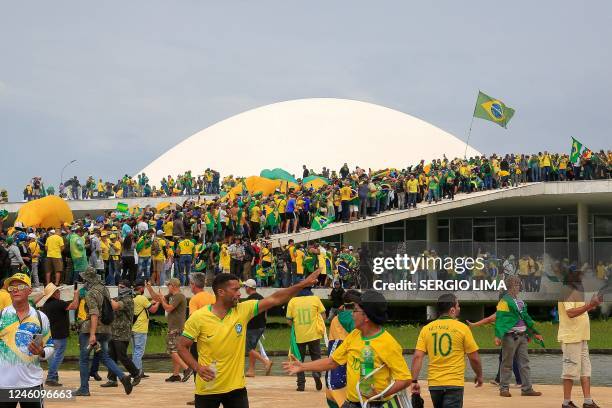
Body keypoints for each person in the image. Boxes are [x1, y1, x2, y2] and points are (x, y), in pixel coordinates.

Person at [176, 269, 321, 408]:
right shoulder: (199, 318)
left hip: (236, 389)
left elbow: (276, 298)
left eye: (239, 289)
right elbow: (182, 346)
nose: (239, 294)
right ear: (220, 292)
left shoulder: (243, 310)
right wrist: (197, 368)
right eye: (235, 290)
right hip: (207, 389)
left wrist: (303, 284)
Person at [284, 290, 412, 408]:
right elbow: (332, 362)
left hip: (376, 404)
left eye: (355, 310)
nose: (352, 315)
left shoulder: (388, 343)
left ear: (366, 316)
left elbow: (405, 378)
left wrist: (381, 394)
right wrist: (302, 366)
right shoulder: (355, 335)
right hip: (352, 403)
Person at [411, 293, 483, 408]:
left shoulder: (426, 329)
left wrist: (414, 381)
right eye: (458, 306)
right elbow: (474, 358)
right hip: (454, 384)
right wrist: (479, 375)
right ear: (452, 310)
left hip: (435, 385)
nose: (459, 308)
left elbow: (417, 357)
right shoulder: (462, 328)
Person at [74, 267, 133, 396]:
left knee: (84, 358)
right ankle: (123, 377)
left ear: (87, 280)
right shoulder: (104, 289)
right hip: (106, 329)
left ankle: (84, 388)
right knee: (105, 357)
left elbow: (94, 314)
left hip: (91, 329)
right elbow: (111, 306)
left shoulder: (91, 293)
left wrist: (92, 334)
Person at [0, 273, 55, 408]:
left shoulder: (40, 317)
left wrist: (41, 352)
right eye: (12, 288)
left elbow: (50, 346)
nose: (16, 290)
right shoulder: (1, 316)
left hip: (32, 384)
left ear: (30, 290)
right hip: (3, 384)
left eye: (20, 286)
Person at [558, 269, 603, 408]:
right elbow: (570, 313)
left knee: (586, 371)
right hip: (571, 338)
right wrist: (590, 305)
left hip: (581, 337)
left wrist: (592, 305)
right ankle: (566, 403)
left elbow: (581, 310)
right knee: (569, 372)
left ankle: (588, 401)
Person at [494, 275, 543, 398]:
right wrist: (498, 335)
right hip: (510, 336)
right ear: (510, 287)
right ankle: (504, 388)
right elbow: (500, 319)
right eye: (516, 285)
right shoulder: (504, 301)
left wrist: (535, 332)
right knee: (507, 363)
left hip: (522, 336)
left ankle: (527, 389)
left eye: (518, 284)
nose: (518, 287)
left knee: (524, 363)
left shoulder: (520, 301)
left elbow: (527, 319)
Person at [148, 278, 192, 382]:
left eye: (169, 285)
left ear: (173, 286)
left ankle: (187, 369)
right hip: (173, 327)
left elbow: (168, 308)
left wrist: (162, 300)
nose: (167, 287)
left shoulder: (179, 296)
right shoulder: (172, 296)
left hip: (177, 328)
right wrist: (149, 289)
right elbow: (157, 298)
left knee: (171, 350)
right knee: (174, 350)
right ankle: (176, 375)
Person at [35, 283, 79, 387]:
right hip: (59, 335)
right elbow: (74, 306)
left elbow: (34, 303)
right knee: (58, 357)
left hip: (49, 335)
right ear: (54, 293)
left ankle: (54, 377)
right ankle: (51, 377)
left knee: (52, 358)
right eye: (58, 291)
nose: (59, 293)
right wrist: (76, 295)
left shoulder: (45, 305)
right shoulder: (59, 303)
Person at [101, 280, 141, 388]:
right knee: (111, 356)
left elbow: (115, 306)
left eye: (122, 287)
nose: (119, 289)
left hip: (123, 333)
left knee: (122, 356)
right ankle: (112, 379)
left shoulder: (128, 300)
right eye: (118, 286)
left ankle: (136, 373)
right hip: (114, 332)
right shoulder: (119, 298)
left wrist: (105, 294)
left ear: (128, 288)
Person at [286, 286, 326, 392]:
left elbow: (289, 320)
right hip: (314, 335)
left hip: (299, 335)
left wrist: (296, 326)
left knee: (298, 360)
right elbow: (323, 315)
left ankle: (301, 384)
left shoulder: (292, 301)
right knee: (316, 358)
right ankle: (316, 373)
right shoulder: (315, 299)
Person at [243, 279, 272, 378]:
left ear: (248, 288)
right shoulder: (261, 298)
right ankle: (251, 370)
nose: (244, 288)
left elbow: (247, 315)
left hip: (252, 327)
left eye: (245, 286)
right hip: (261, 326)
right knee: (253, 347)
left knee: (247, 348)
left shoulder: (249, 300)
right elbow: (265, 314)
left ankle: (266, 361)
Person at [132, 279, 159, 378]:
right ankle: (136, 373)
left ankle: (139, 371)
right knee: (139, 351)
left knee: (136, 351)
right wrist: (159, 302)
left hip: (133, 328)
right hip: (141, 329)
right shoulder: (142, 298)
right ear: (141, 288)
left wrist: (152, 301)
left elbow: (144, 305)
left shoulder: (133, 297)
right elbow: (153, 310)